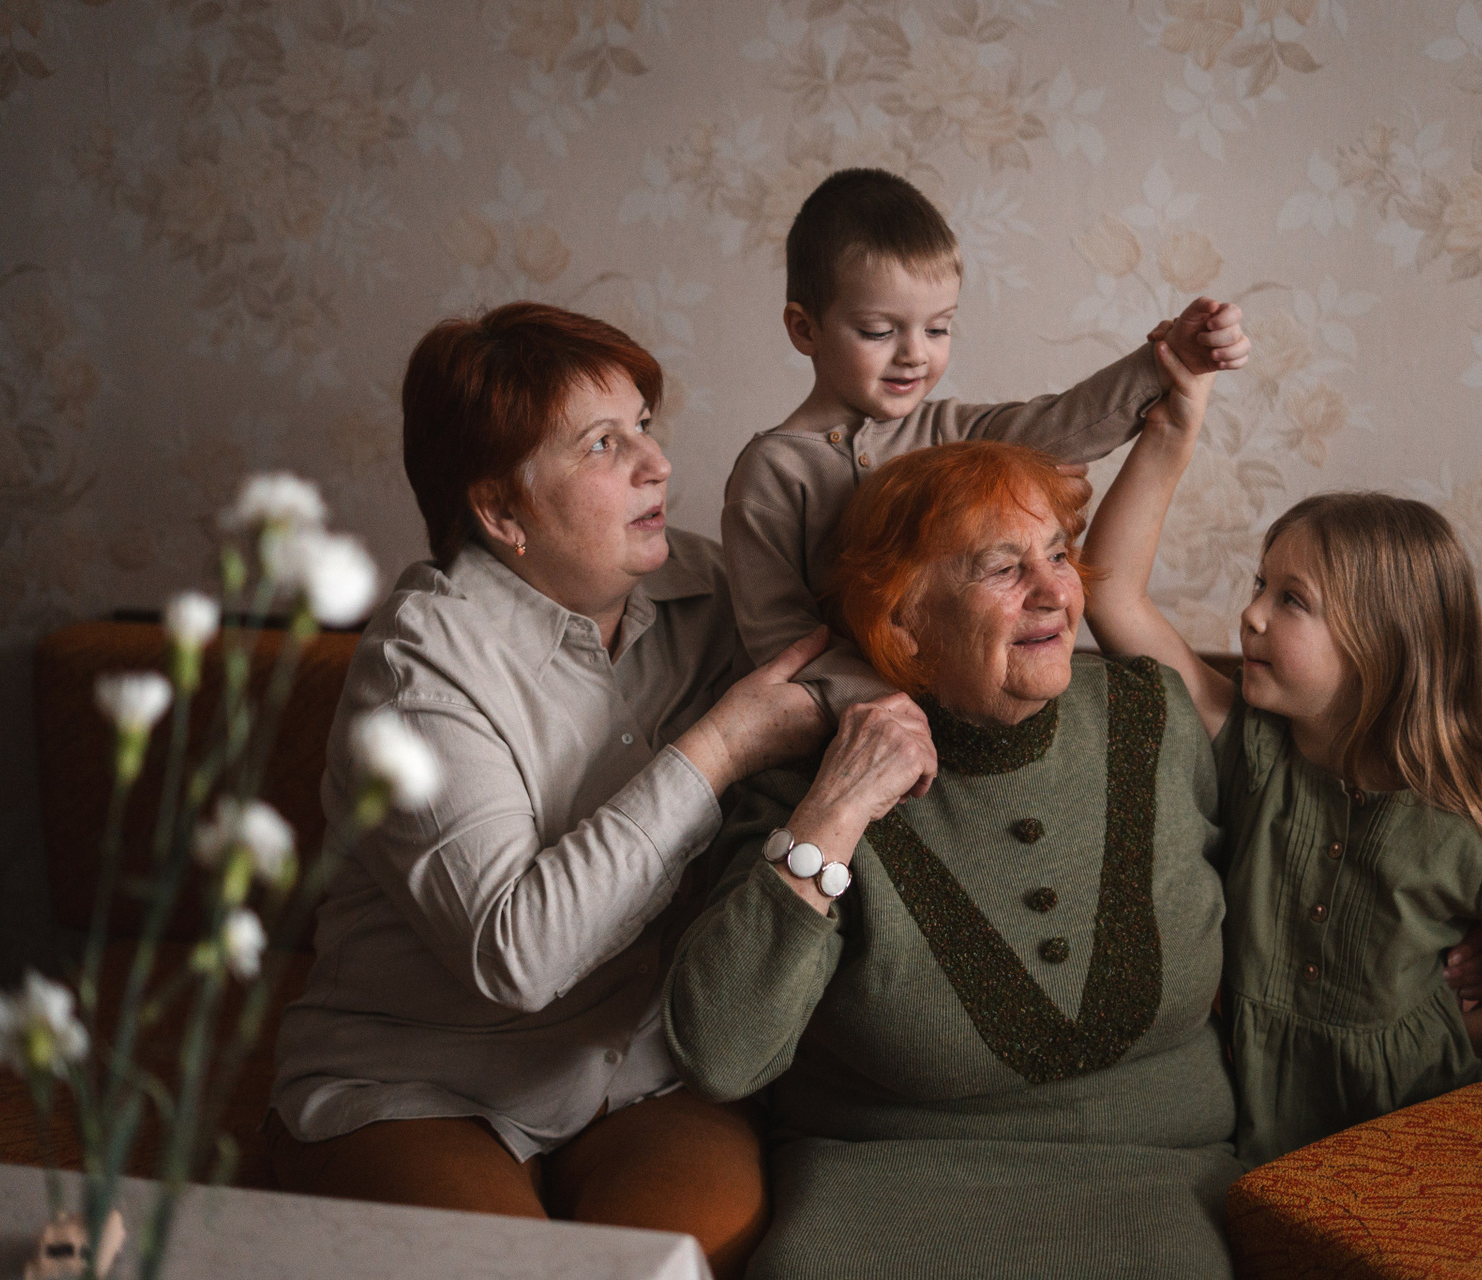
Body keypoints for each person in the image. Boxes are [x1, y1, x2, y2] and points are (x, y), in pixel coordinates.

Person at [268, 303, 830, 1276]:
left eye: (644, 425)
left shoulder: (712, 591)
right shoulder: (415, 668)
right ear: (501, 511)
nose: (657, 464)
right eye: (603, 444)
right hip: (424, 1083)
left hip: (640, 1074)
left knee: (689, 1261)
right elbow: (516, 954)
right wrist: (721, 746)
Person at [665, 439, 1247, 1279]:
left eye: (1058, 556)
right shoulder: (812, 781)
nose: (1053, 591)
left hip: (1166, 1189)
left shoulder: (1151, 715)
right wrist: (836, 810)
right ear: (904, 619)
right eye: (1003, 568)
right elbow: (721, 1056)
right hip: (880, 1202)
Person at [1081, 338, 1482, 1168]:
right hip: (1250, 1126)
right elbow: (1108, 592)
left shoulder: (1469, 832)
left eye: (1292, 600)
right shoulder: (1254, 753)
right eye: (1259, 585)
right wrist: (1173, 432)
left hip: (1414, 1133)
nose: (1251, 615)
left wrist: (1462, 1034)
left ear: (1383, 646)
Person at [721, 166, 1250, 720]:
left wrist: (1163, 362)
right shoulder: (772, 472)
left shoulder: (956, 432)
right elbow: (780, 636)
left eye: (937, 328)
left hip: (969, 708)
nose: (915, 354)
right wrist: (886, 708)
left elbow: (1060, 425)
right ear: (805, 329)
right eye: (879, 331)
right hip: (839, 726)